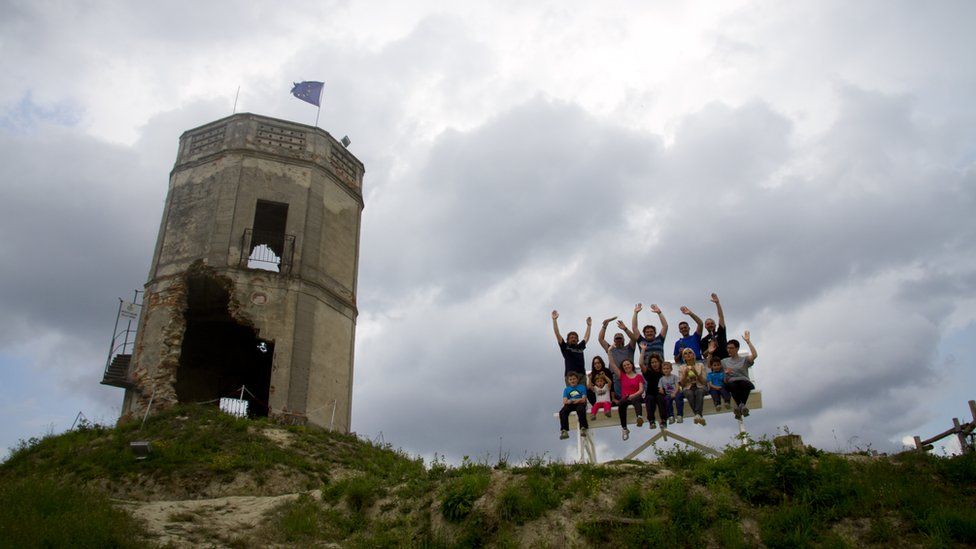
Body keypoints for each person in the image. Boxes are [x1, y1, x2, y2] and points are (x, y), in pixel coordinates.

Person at [721, 331, 758, 420]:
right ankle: (742, 406)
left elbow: (754, 355)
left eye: (731, 348)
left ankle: (739, 406)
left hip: (744, 382)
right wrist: (726, 374)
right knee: (733, 385)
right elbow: (725, 380)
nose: (729, 350)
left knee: (743, 384)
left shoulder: (744, 359)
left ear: (737, 349)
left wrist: (748, 342)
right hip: (731, 383)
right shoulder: (724, 361)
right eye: (728, 348)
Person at [610, 358, 644, 441]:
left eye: (628, 364)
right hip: (626, 398)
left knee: (636, 399)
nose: (626, 366)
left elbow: (641, 390)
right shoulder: (622, 376)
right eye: (624, 365)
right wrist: (609, 351)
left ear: (632, 365)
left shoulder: (639, 376)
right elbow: (612, 364)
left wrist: (633, 395)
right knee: (621, 404)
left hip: (636, 396)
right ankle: (624, 428)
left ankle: (639, 417)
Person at [552, 310, 591, 380]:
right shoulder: (565, 347)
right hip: (570, 376)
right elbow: (557, 334)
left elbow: (586, 337)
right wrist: (554, 320)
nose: (574, 339)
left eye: (575, 338)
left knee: (582, 391)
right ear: (568, 340)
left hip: (582, 375)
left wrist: (589, 326)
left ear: (577, 340)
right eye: (571, 337)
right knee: (573, 392)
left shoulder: (580, 347)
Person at [639, 345, 667, 430]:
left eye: (656, 362)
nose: (654, 364)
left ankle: (663, 420)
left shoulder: (664, 373)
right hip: (651, 393)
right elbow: (641, 364)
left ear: (659, 362)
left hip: (660, 393)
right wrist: (643, 350)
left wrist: (665, 391)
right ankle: (651, 421)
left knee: (660, 398)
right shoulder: (649, 372)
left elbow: (669, 384)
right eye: (652, 362)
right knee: (649, 399)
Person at [678, 348, 707, 426]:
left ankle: (698, 415)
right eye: (685, 353)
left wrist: (696, 373)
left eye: (690, 352)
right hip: (688, 387)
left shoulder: (700, 365)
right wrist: (685, 374)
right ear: (683, 357)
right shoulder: (681, 368)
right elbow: (682, 384)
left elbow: (704, 382)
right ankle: (699, 415)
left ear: (694, 355)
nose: (688, 354)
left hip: (700, 386)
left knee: (699, 391)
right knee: (689, 393)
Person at [635, 303, 669, 369]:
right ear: (644, 334)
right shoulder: (641, 341)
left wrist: (659, 313)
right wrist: (635, 313)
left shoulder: (659, 339)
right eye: (647, 332)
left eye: (651, 332)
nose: (649, 333)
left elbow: (665, 326)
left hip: (661, 370)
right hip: (647, 371)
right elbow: (634, 328)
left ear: (655, 333)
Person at [558, 371, 589, 439]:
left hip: (580, 403)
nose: (572, 381)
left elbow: (584, 399)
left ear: (577, 379)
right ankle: (564, 430)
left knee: (580, 410)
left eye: (574, 379)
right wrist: (571, 401)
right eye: (570, 379)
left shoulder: (582, 387)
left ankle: (583, 428)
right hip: (570, 404)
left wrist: (576, 400)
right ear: (568, 381)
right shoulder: (566, 389)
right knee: (563, 411)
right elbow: (565, 401)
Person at [700, 293, 729, 360]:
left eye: (712, 323)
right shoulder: (704, 340)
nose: (710, 325)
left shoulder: (720, 332)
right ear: (705, 327)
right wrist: (710, 348)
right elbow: (704, 355)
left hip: (726, 360)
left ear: (715, 325)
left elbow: (721, 317)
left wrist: (717, 303)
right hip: (715, 364)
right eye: (708, 324)